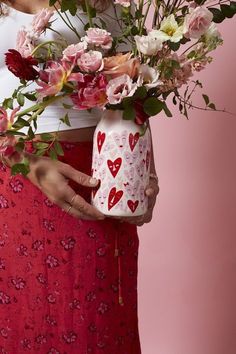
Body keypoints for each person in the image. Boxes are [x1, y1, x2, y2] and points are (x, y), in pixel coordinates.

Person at [0, 0, 159, 353]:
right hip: (15, 181)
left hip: (101, 174)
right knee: (20, 314)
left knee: (98, 323)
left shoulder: (103, 6)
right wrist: (26, 163)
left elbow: (133, 95)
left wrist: (145, 169)